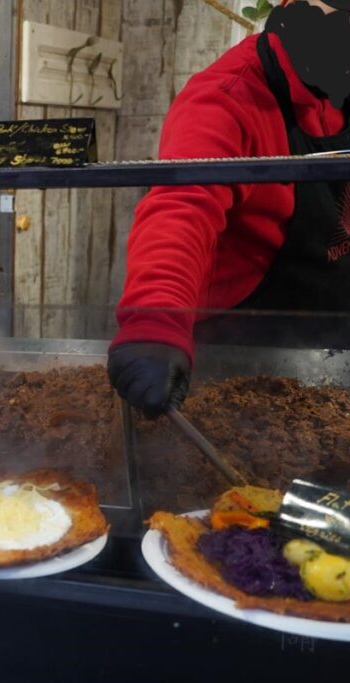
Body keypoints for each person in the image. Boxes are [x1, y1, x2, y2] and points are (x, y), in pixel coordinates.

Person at [107, 0, 350, 418]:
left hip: (334, 361)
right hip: (237, 366)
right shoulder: (227, 96)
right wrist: (155, 322)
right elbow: (181, 208)